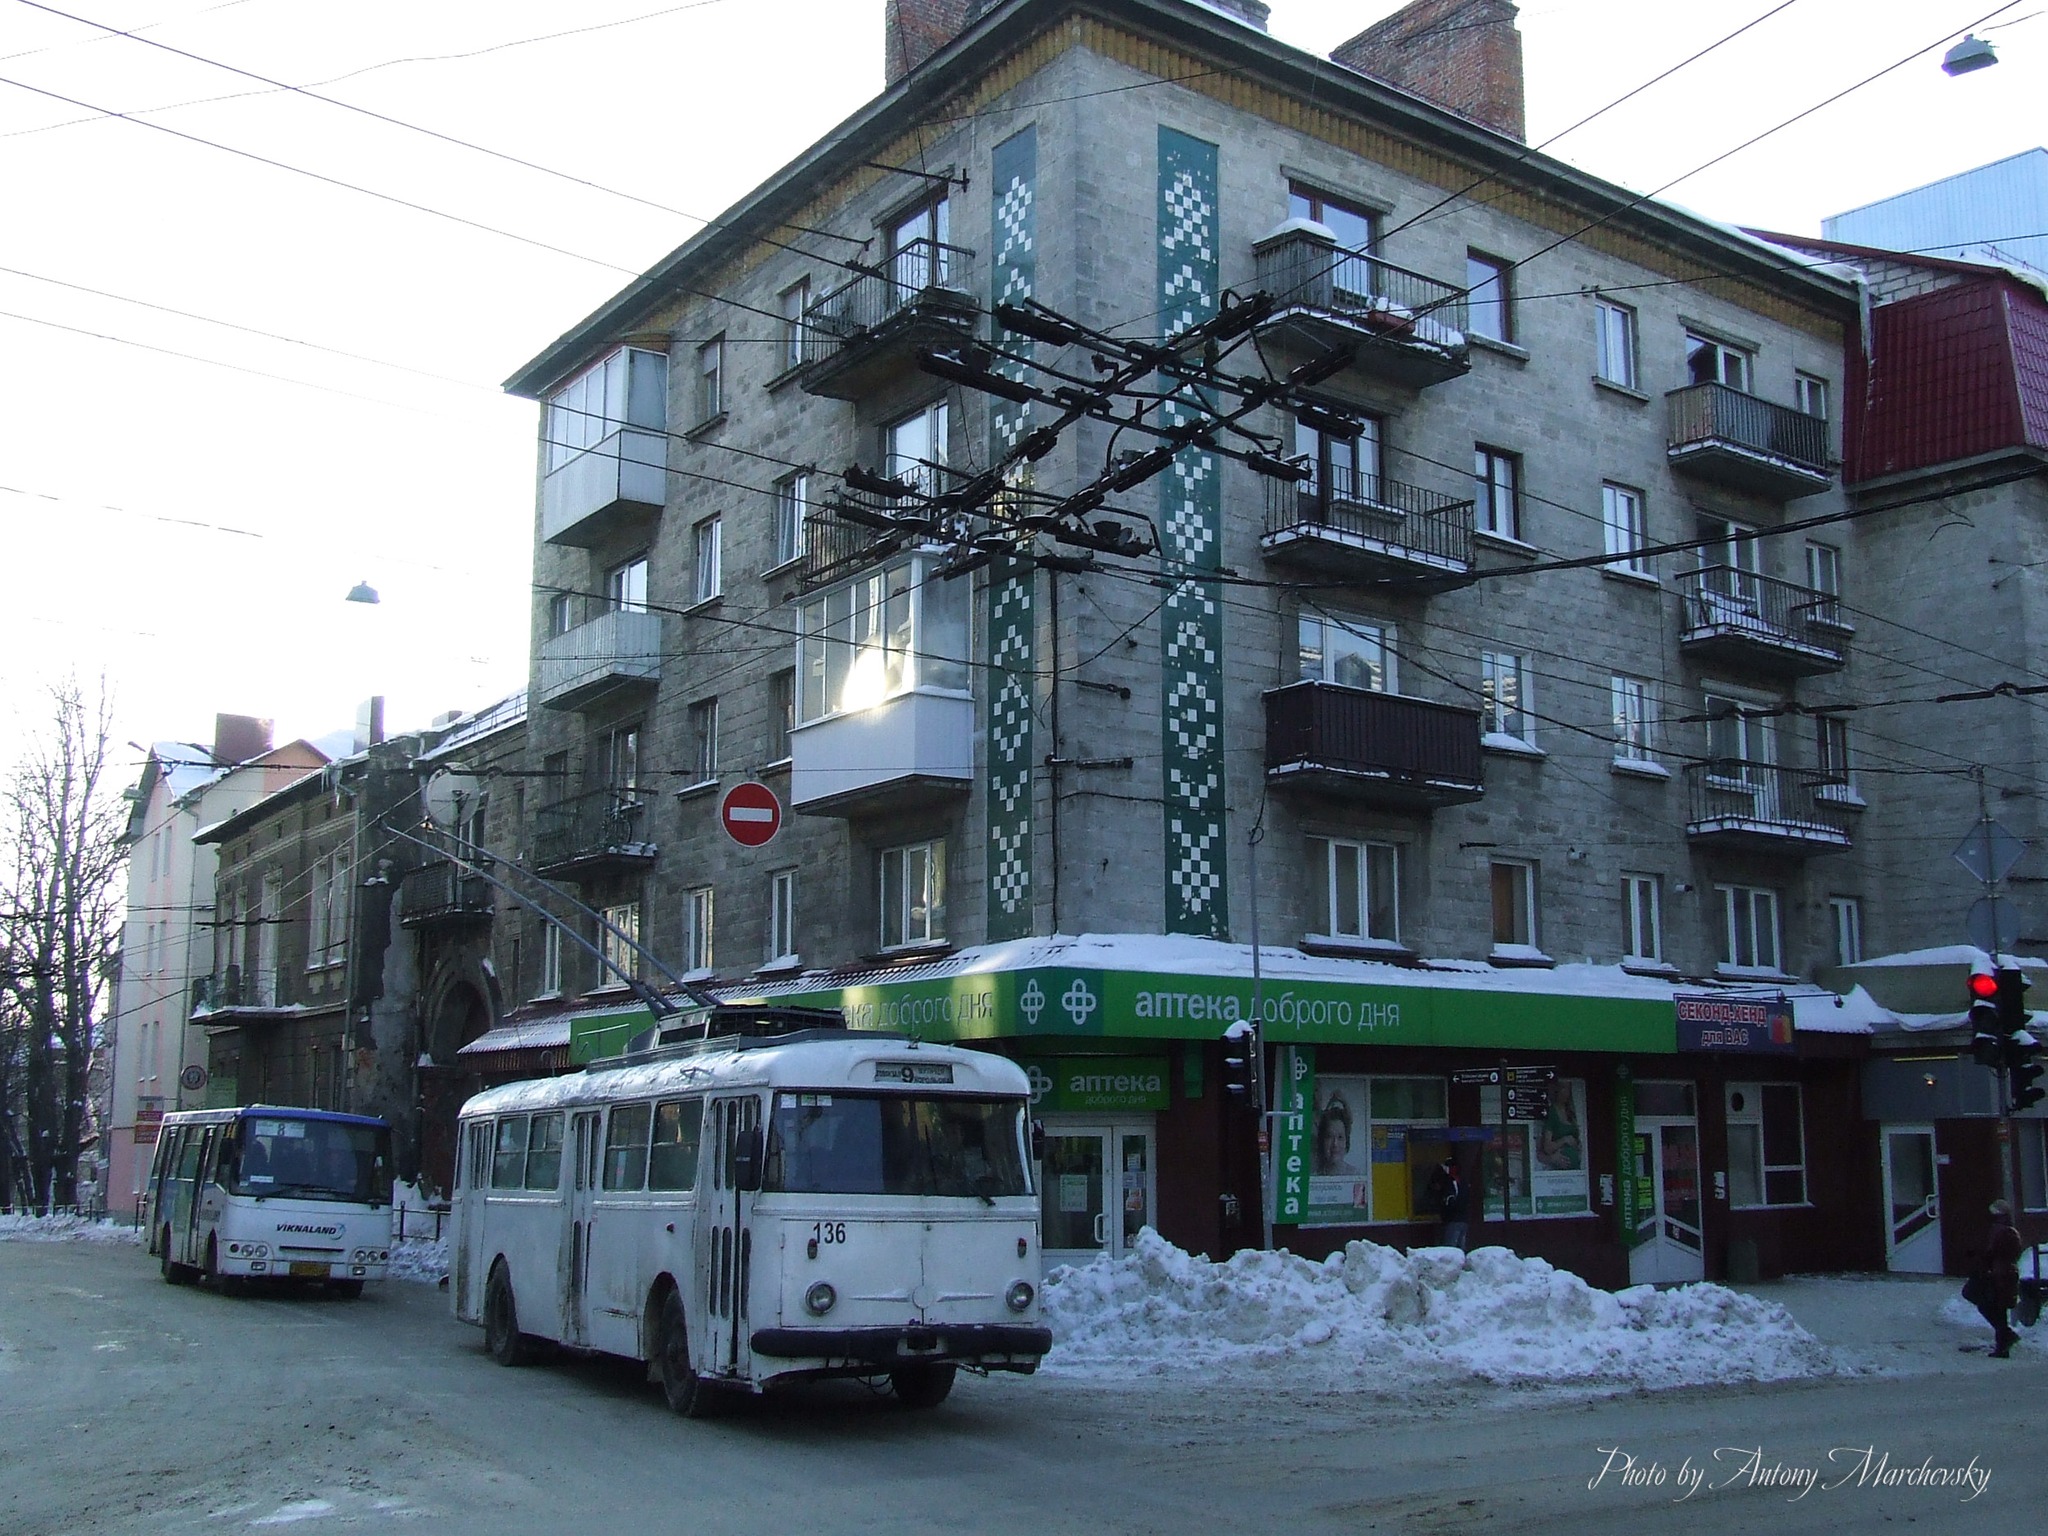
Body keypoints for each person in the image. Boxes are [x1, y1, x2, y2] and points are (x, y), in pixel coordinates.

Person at [1975, 1199, 2023, 1358]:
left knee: (1988, 1305)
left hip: (1997, 1274)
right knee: (1999, 1309)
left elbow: (1991, 1252)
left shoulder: (1998, 1230)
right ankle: (2003, 1345)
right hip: (2008, 1273)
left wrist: (1984, 1267)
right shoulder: (2011, 1230)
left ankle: (2005, 1338)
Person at [1429, 1154, 1469, 1251]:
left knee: (1451, 1249)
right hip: (1462, 1219)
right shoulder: (1461, 1181)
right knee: (1460, 1248)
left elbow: (1449, 1201)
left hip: (1453, 1220)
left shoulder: (1450, 1182)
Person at [1313, 1094, 1355, 1176]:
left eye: (1340, 1137)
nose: (1335, 1144)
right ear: (1322, 1141)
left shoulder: (1355, 1175)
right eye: (1329, 1137)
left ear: (1346, 1141)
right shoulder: (1314, 1176)